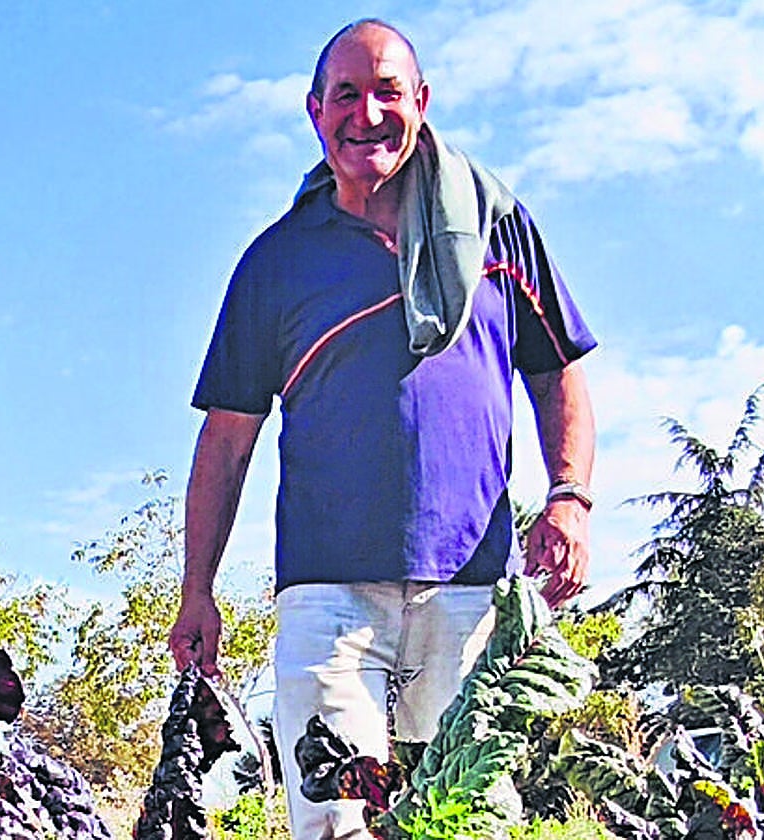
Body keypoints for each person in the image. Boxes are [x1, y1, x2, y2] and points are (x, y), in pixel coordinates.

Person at [170, 18, 597, 838]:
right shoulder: (277, 261)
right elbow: (226, 440)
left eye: (387, 92)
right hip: (328, 597)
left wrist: (570, 496)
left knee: (464, 817)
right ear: (314, 111)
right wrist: (199, 590)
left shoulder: (497, 229)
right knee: (336, 821)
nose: (367, 113)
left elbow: (558, 369)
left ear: (422, 102)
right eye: (346, 95)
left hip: (470, 589)